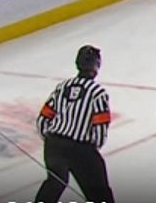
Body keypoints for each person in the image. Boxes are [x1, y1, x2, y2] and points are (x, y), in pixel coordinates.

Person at [35, 45, 115, 203]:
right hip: (80, 149)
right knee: (98, 191)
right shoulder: (97, 92)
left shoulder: (62, 87)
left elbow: (43, 119)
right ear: (96, 65)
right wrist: (90, 151)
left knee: (55, 183)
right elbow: (100, 128)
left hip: (53, 145)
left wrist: (51, 141)